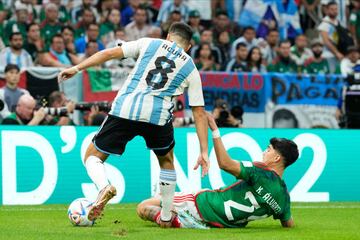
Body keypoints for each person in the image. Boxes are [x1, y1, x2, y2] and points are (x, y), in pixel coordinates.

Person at [58, 22, 209, 227]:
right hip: (157, 116)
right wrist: (204, 151)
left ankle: (104, 187)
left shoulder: (149, 43)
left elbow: (109, 53)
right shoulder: (191, 66)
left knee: (93, 156)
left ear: (167, 37)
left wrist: (76, 68)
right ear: (189, 46)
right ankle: (165, 217)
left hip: (126, 109)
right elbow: (199, 113)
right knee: (166, 161)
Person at [137, 114, 298, 228]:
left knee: (143, 207)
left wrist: (214, 130)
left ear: (277, 158)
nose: (264, 152)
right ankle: (179, 220)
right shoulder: (283, 197)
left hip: (202, 203)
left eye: (268, 150)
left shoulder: (260, 171)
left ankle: (174, 221)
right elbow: (288, 223)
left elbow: (225, 164)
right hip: (222, 223)